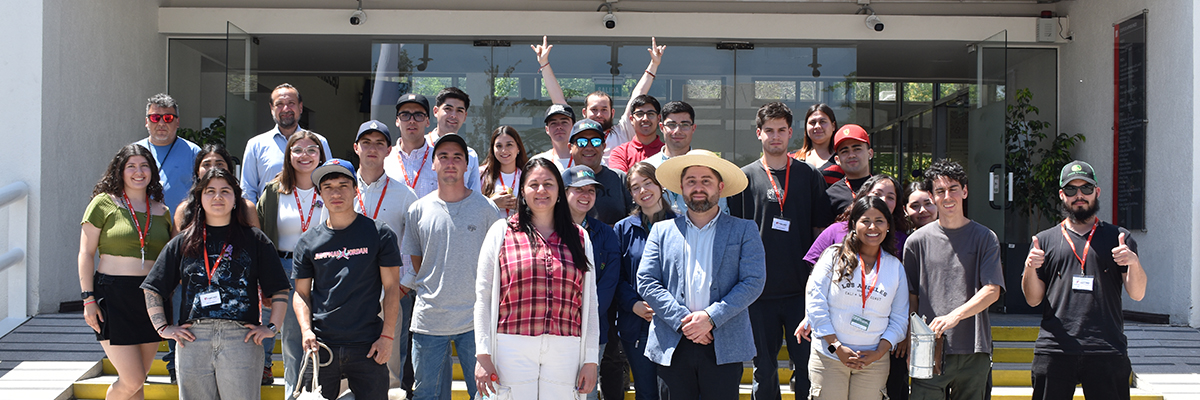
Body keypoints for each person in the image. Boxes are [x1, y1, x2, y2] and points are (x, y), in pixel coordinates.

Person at [142, 168, 291, 399]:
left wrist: (272, 327)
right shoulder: (183, 240)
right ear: (200, 198)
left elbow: (280, 288)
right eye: (210, 191)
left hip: (241, 337)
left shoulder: (255, 239)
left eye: (225, 191)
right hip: (193, 338)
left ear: (235, 199)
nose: (218, 197)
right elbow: (153, 287)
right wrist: (162, 327)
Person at [637, 149, 766, 399]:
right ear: (681, 188)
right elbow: (646, 281)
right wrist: (685, 322)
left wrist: (710, 317)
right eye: (691, 181)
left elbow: (753, 281)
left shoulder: (744, 230)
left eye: (706, 181)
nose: (698, 187)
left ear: (720, 186)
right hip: (673, 342)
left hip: (723, 341)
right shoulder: (661, 231)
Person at [727, 102, 833, 400]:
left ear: (790, 134)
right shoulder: (742, 179)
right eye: (769, 131)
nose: (776, 137)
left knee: (806, 366)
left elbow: (819, 233)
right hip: (758, 290)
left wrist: (818, 282)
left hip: (801, 290)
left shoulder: (809, 175)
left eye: (782, 131)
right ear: (759, 133)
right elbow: (734, 233)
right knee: (764, 367)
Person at [474, 158, 599, 399]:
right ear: (522, 191)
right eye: (533, 184)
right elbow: (483, 298)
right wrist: (483, 355)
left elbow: (590, 304)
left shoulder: (580, 237)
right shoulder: (501, 232)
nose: (541, 190)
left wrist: (590, 360)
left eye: (549, 184)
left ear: (560, 192)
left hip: (566, 349)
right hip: (512, 346)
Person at [1021, 160, 1147, 400]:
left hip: (1106, 348)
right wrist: (1030, 267)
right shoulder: (1044, 240)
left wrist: (1134, 262)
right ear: (1061, 195)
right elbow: (1033, 299)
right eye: (1071, 190)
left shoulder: (1118, 237)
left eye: (1086, 189)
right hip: (1055, 348)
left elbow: (1137, 293)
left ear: (1096, 192)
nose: (1079, 195)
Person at [293, 159, 403, 400]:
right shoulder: (308, 241)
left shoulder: (379, 233)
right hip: (321, 346)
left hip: (367, 346)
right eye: (328, 186)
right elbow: (300, 294)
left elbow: (392, 288)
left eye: (343, 185)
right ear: (319, 193)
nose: (336, 193)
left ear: (356, 190)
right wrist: (305, 330)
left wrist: (386, 337)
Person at [400, 133, 498, 400]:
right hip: (429, 320)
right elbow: (418, 259)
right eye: (443, 156)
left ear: (468, 165)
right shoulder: (418, 210)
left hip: (475, 320)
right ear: (433, 164)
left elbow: (496, 261)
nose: (450, 162)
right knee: (426, 396)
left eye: (458, 157)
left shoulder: (487, 208)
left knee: (485, 395)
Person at [78, 144, 174, 399]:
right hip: (113, 295)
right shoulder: (103, 203)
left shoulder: (162, 211)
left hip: (151, 298)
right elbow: (86, 254)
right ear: (120, 171)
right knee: (131, 379)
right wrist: (88, 298)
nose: (138, 172)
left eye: (144, 166)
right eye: (131, 166)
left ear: (152, 171)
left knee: (139, 380)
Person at [903, 159, 1004, 400]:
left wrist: (954, 316)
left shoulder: (985, 238)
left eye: (953, 189)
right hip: (928, 347)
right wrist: (910, 343)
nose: (947, 196)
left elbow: (992, 290)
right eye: (940, 191)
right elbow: (910, 301)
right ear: (932, 196)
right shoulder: (916, 242)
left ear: (965, 191)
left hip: (974, 348)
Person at [799, 196, 909, 400]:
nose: (872, 227)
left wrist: (878, 353)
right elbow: (815, 303)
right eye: (865, 220)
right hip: (829, 356)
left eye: (879, 221)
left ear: (887, 226)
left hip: (873, 362)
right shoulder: (833, 256)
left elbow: (900, 320)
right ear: (853, 224)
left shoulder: (895, 267)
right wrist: (836, 346)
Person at [255, 130, 329, 399]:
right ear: (288, 155)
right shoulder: (274, 191)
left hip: (325, 271)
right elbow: (261, 238)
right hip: (285, 271)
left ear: (321, 155)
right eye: (298, 150)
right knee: (291, 342)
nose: (305, 155)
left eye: (312, 149)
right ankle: (293, 394)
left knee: (323, 337)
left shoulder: (330, 187)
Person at [350, 120, 420, 397]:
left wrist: (406, 285)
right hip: (344, 298)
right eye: (366, 142)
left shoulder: (404, 195)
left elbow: (417, 245)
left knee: (389, 373)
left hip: (388, 296)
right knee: (345, 373)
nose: (372, 149)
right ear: (356, 147)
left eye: (380, 143)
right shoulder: (339, 190)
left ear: (389, 150)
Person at [535, 36, 664, 165]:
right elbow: (558, 100)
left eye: (604, 110)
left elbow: (637, 96)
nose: (599, 114)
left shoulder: (622, 132)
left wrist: (654, 65)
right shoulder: (575, 133)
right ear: (584, 113)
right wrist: (544, 64)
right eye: (594, 110)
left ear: (612, 113)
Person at [612, 162, 675, 400]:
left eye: (648, 183)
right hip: (637, 325)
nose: (643, 191)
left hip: (672, 325)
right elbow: (615, 277)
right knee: (646, 391)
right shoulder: (622, 229)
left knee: (673, 391)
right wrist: (633, 304)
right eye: (635, 187)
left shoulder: (681, 224)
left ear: (660, 185)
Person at [562, 165, 623, 400]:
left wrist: (584, 314)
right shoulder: (550, 231)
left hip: (592, 331)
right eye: (579, 190)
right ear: (564, 192)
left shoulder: (606, 234)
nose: (586, 195)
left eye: (591, 190)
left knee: (584, 394)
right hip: (557, 329)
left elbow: (609, 284)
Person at [241, 83, 333, 203]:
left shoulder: (319, 142)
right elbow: (248, 191)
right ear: (271, 108)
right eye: (279, 104)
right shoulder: (256, 145)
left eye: (291, 103)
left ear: (300, 107)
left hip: (313, 217)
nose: (286, 109)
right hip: (270, 218)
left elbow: (329, 182)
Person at [645, 101, 728, 215]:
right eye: (671, 125)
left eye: (684, 125)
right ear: (661, 127)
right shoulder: (647, 168)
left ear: (693, 128)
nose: (677, 131)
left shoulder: (708, 166)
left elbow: (722, 213)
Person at [804, 175, 909, 265]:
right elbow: (814, 262)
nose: (883, 200)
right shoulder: (836, 230)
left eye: (890, 197)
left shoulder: (902, 240)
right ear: (864, 196)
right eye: (877, 194)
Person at [135, 93, 203, 210]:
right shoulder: (134, 152)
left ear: (177, 122)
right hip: (140, 225)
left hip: (181, 226)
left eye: (168, 118)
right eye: (155, 118)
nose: (161, 123)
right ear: (147, 121)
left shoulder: (193, 152)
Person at [173, 144, 259, 230]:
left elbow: (256, 241)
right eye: (206, 164)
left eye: (219, 164)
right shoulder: (184, 209)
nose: (213, 168)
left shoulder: (246, 208)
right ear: (198, 172)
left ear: (229, 171)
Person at [568, 119, 634, 225]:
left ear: (604, 147)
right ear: (570, 147)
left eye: (596, 141)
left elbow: (634, 220)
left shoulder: (619, 178)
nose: (589, 147)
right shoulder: (563, 180)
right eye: (581, 142)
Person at [423, 87, 483, 190]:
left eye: (459, 111)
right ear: (435, 111)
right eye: (448, 109)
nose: (453, 115)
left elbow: (475, 197)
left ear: (465, 116)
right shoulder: (420, 146)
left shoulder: (470, 155)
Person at [788, 103, 844, 185]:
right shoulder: (791, 159)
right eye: (812, 122)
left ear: (833, 126)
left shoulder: (843, 160)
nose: (817, 126)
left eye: (823, 122)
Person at [480, 126, 529, 219]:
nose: (504, 150)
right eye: (499, 146)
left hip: (520, 231)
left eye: (509, 145)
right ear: (493, 149)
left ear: (518, 148)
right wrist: (492, 203)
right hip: (490, 231)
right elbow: (471, 209)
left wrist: (522, 206)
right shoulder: (481, 175)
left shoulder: (528, 176)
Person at [826, 124, 874, 217]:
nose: (851, 155)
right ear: (837, 160)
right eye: (844, 151)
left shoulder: (885, 189)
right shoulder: (830, 195)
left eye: (857, 149)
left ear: (870, 153)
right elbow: (824, 231)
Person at [607, 95, 664, 173]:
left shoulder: (667, 152)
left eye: (650, 114)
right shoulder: (620, 153)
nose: (645, 119)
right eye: (640, 114)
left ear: (658, 118)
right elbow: (620, 182)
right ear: (631, 119)